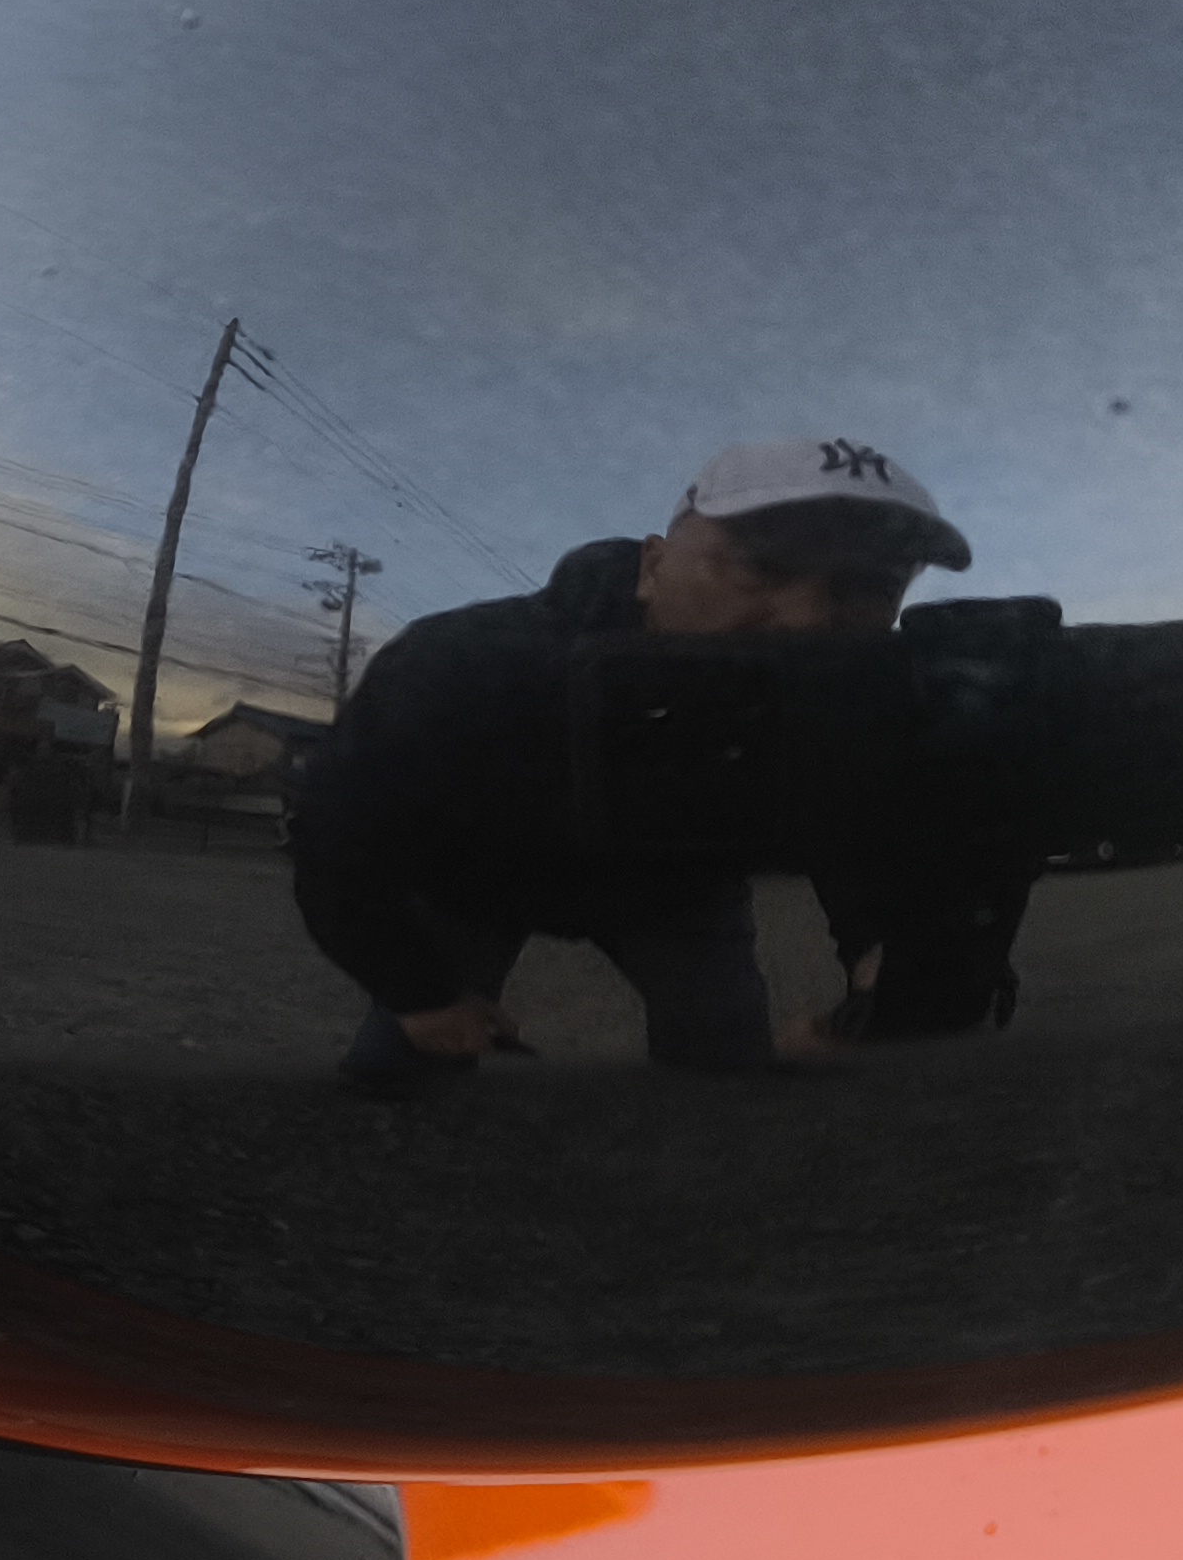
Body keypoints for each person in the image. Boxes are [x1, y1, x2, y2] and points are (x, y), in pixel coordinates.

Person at [292, 439, 1002, 1097]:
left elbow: (858, 823)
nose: (808, 618)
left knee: (726, 1063)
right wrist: (421, 997)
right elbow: (335, 836)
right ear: (653, 567)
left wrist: (881, 954)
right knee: (402, 1069)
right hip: (476, 880)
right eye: (764, 566)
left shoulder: (851, 700)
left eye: (869, 587)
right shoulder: (468, 662)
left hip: (675, 890)